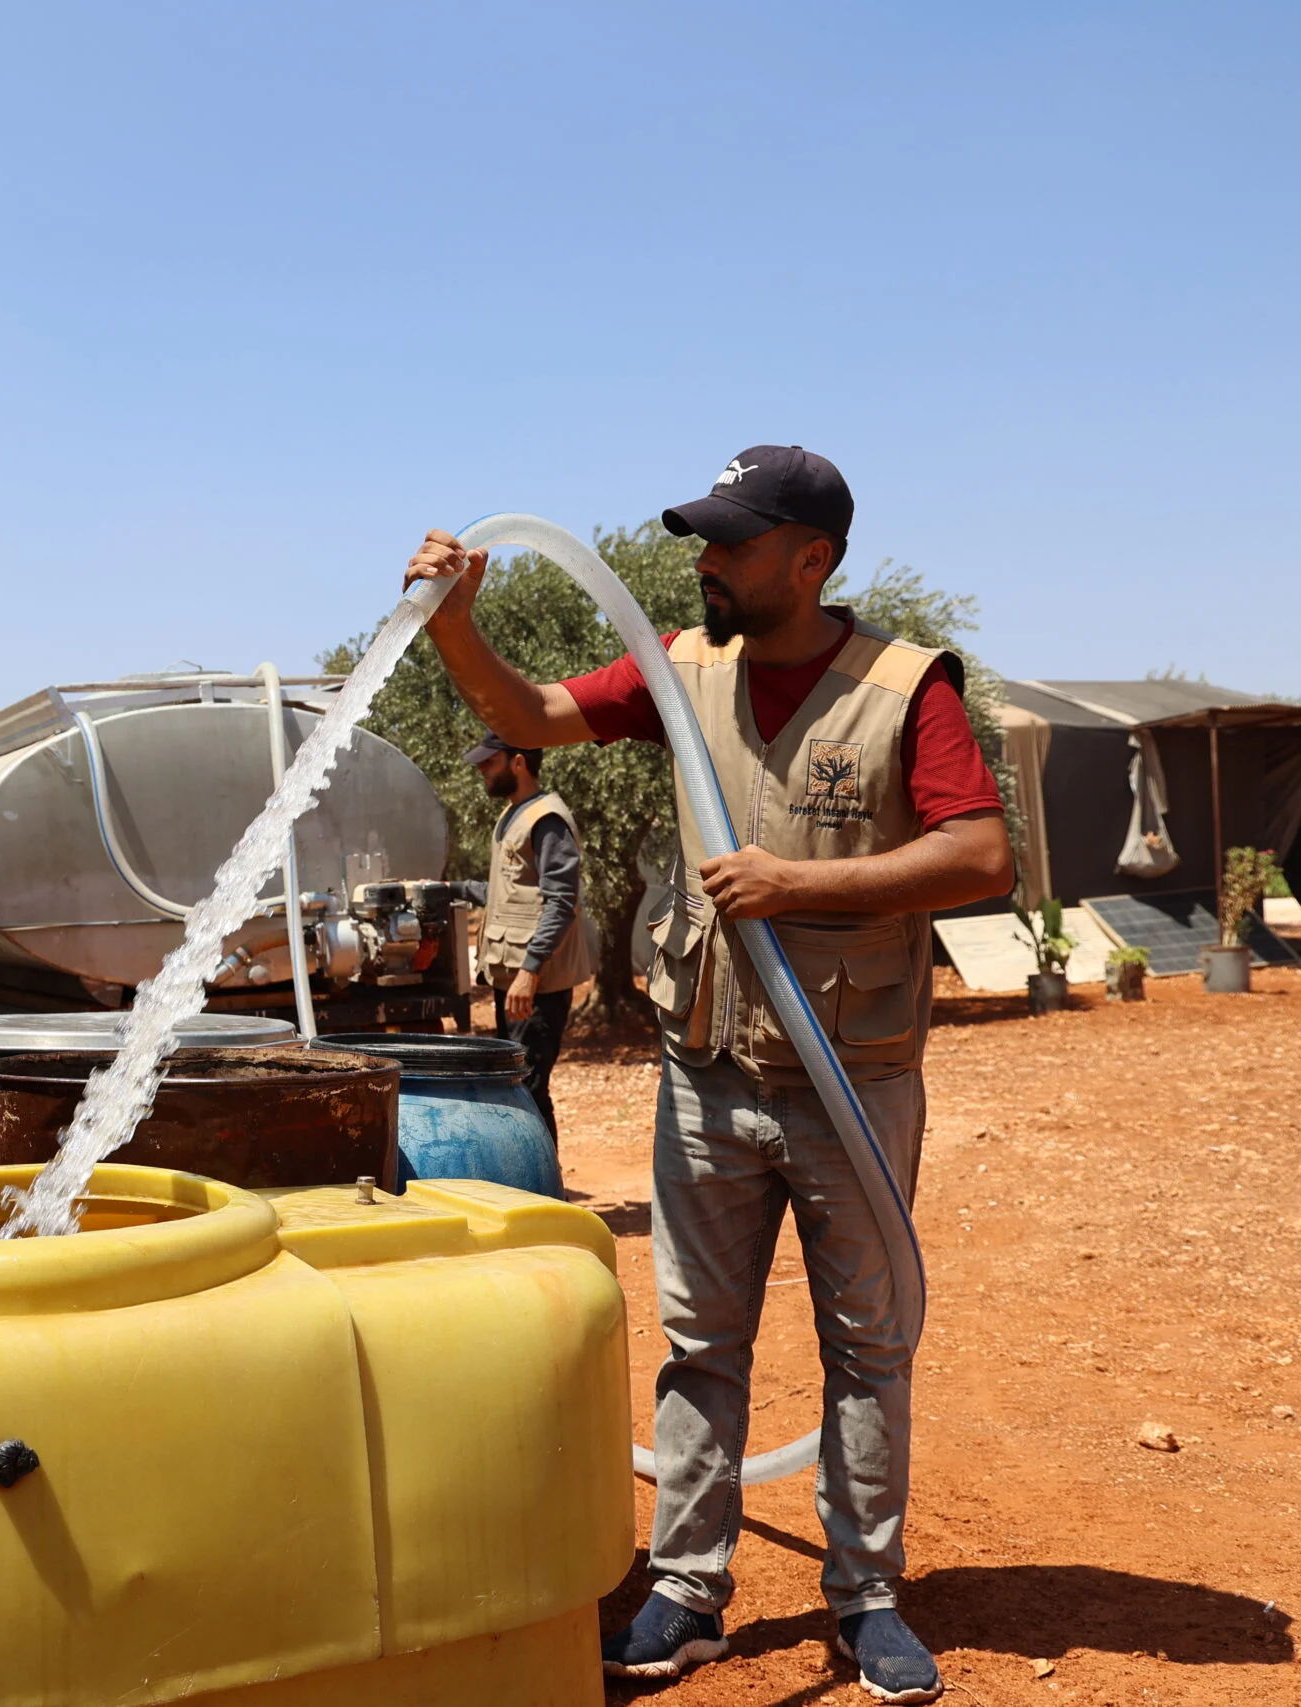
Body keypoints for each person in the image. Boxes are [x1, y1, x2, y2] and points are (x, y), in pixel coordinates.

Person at [403, 445, 1012, 1703]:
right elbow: (530, 718)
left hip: (854, 1077)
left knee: (866, 1342)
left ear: (811, 560)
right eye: (703, 540)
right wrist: (455, 626)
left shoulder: (905, 691)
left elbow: (981, 856)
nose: (705, 562)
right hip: (706, 1077)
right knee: (700, 1343)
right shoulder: (682, 668)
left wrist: (805, 887)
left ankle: (868, 1597)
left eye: (731, 543)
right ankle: (686, 1587)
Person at [451, 732, 595, 1140]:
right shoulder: (515, 814)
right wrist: (454, 889)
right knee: (515, 1085)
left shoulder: (546, 820)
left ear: (518, 762)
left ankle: (544, 1187)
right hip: (511, 978)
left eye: (489, 762)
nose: (481, 770)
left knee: (528, 1088)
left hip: (534, 984)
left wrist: (530, 972)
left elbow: (561, 902)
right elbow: (510, 893)